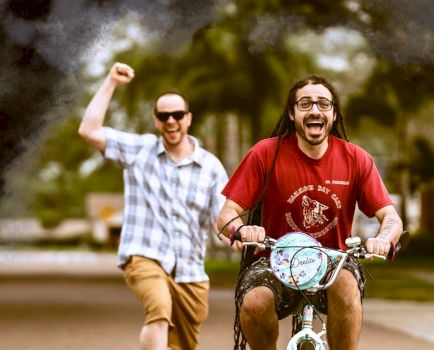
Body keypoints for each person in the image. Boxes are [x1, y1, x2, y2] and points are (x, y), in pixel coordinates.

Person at [216, 74, 404, 350]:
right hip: (274, 260)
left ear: (334, 114)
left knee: (346, 283)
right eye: (305, 104)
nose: (314, 110)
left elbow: (391, 217)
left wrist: (384, 238)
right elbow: (225, 216)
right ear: (292, 114)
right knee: (255, 301)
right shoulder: (265, 154)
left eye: (323, 104)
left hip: (334, 260)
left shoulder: (356, 158)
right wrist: (241, 229)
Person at [78, 62, 228, 350]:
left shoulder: (211, 167)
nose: (171, 121)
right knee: (158, 311)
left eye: (177, 115)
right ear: (156, 120)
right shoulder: (139, 150)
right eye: (164, 116)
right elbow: (88, 130)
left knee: (182, 344)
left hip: (190, 271)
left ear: (188, 119)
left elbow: (221, 219)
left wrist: (241, 239)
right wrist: (110, 81)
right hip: (144, 255)